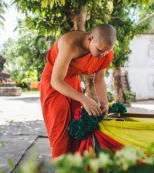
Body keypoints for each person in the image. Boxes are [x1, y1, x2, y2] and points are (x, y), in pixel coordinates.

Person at [40, 24, 117, 158]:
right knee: (60, 128)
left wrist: (104, 103)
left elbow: (99, 80)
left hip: (72, 81)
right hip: (54, 80)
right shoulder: (70, 43)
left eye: (106, 51)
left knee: (76, 124)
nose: (102, 54)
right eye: (99, 50)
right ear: (90, 39)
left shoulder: (105, 51)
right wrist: (84, 99)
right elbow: (56, 81)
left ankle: (75, 166)